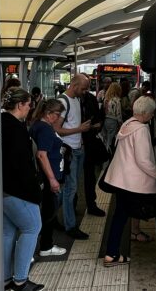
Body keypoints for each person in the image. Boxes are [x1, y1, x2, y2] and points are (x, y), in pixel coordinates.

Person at [102, 96, 156, 267]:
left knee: (120, 215)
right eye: (151, 113)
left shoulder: (127, 124)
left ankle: (115, 249)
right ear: (144, 113)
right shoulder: (141, 129)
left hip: (121, 180)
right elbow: (143, 161)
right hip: (132, 182)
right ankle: (111, 254)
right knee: (124, 215)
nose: (152, 116)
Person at [1, 87, 44, 291]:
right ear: (20, 105)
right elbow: (21, 164)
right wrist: (35, 189)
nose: (30, 109)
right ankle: (20, 280)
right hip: (17, 189)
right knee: (32, 228)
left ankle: (4, 278)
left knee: (7, 233)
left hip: (0, 189)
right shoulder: (16, 128)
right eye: (29, 105)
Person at [29, 98, 67, 257]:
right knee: (49, 212)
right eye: (57, 114)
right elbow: (42, 154)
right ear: (48, 113)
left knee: (46, 211)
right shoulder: (45, 129)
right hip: (48, 176)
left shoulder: (37, 125)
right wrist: (52, 179)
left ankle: (43, 244)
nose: (58, 118)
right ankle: (46, 245)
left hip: (45, 175)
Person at [55, 74, 92, 240]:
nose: (85, 92)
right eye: (83, 88)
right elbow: (57, 129)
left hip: (77, 149)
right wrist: (80, 129)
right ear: (75, 85)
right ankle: (70, 226)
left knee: (69, 189)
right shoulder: (63, 102)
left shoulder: (76, 99)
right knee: (71, 189)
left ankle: (49, 214)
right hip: (68, 151)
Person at [81, 88, 106, 217]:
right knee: (75, 180)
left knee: (89, 176)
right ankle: (89, 205)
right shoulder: (72, 100)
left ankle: (91, 204)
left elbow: (98, 118)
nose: (84, 90)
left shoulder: (89, 99)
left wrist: (95, 126)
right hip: (79, 143)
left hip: (88, 143)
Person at [101, 82, 123, 152]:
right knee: (110, 140)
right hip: (113, 121)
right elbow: (118, 114)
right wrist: (121, 123)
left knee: (105, 139)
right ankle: (109, 154)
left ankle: (105, 152)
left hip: (105, 120)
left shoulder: (106, 99)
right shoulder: (117, 100)